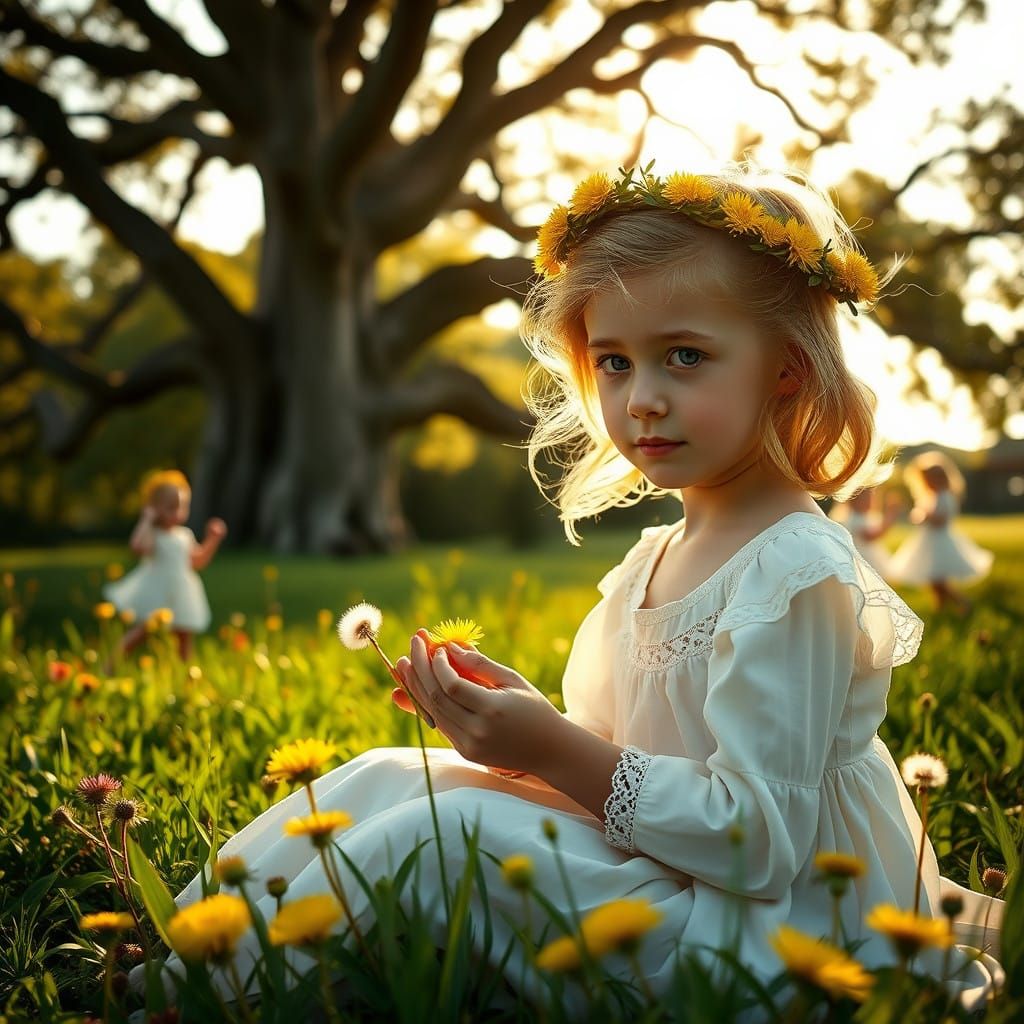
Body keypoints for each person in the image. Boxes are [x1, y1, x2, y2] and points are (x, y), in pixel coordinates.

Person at [145, 167, 1003, 1012]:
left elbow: (759, 842)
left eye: (685, 357)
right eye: (617, 363)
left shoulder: (794, 568)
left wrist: (553, 748)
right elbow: (624, 757)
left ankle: (213, 1001)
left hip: (770, 927)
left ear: (787, 367)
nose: (644, 401)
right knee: (386, 777)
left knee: (444, 845)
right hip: (673, 863)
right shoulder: (658, 554)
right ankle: (174, 963)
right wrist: (526, 736)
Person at [104, 469, 226, 660]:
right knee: (142, 632)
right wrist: (147, 519)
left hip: (181, 593)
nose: (178, 512)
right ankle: (111, 665)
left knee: (184, 636)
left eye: (183, 506)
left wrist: (212, 540)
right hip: (157, 593)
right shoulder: (153, 534)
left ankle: (185, 677)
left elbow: (198, 561)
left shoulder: (185, 535)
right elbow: (137, 547)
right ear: (153, 507)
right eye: (171, 507)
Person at [886, 451, 993, 615]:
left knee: (939, 580)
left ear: (944, 478)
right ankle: (941, 607)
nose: (932, 483)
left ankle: (963, 602)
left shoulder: (945, 497)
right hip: (929, 542)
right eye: (928, 480)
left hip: (940, 542)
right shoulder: (932, 496)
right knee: (934, 581)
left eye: (936, 479)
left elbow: (942, 519)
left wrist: (927, 516)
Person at [829, 485, 901, 576]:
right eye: (865, 498)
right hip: (863, 559)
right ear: (852, 500)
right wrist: (890, 516)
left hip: (873, 555)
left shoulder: (868, 517)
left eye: (871, 497)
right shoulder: (853, 519)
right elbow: (871, 536)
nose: (870, 501)